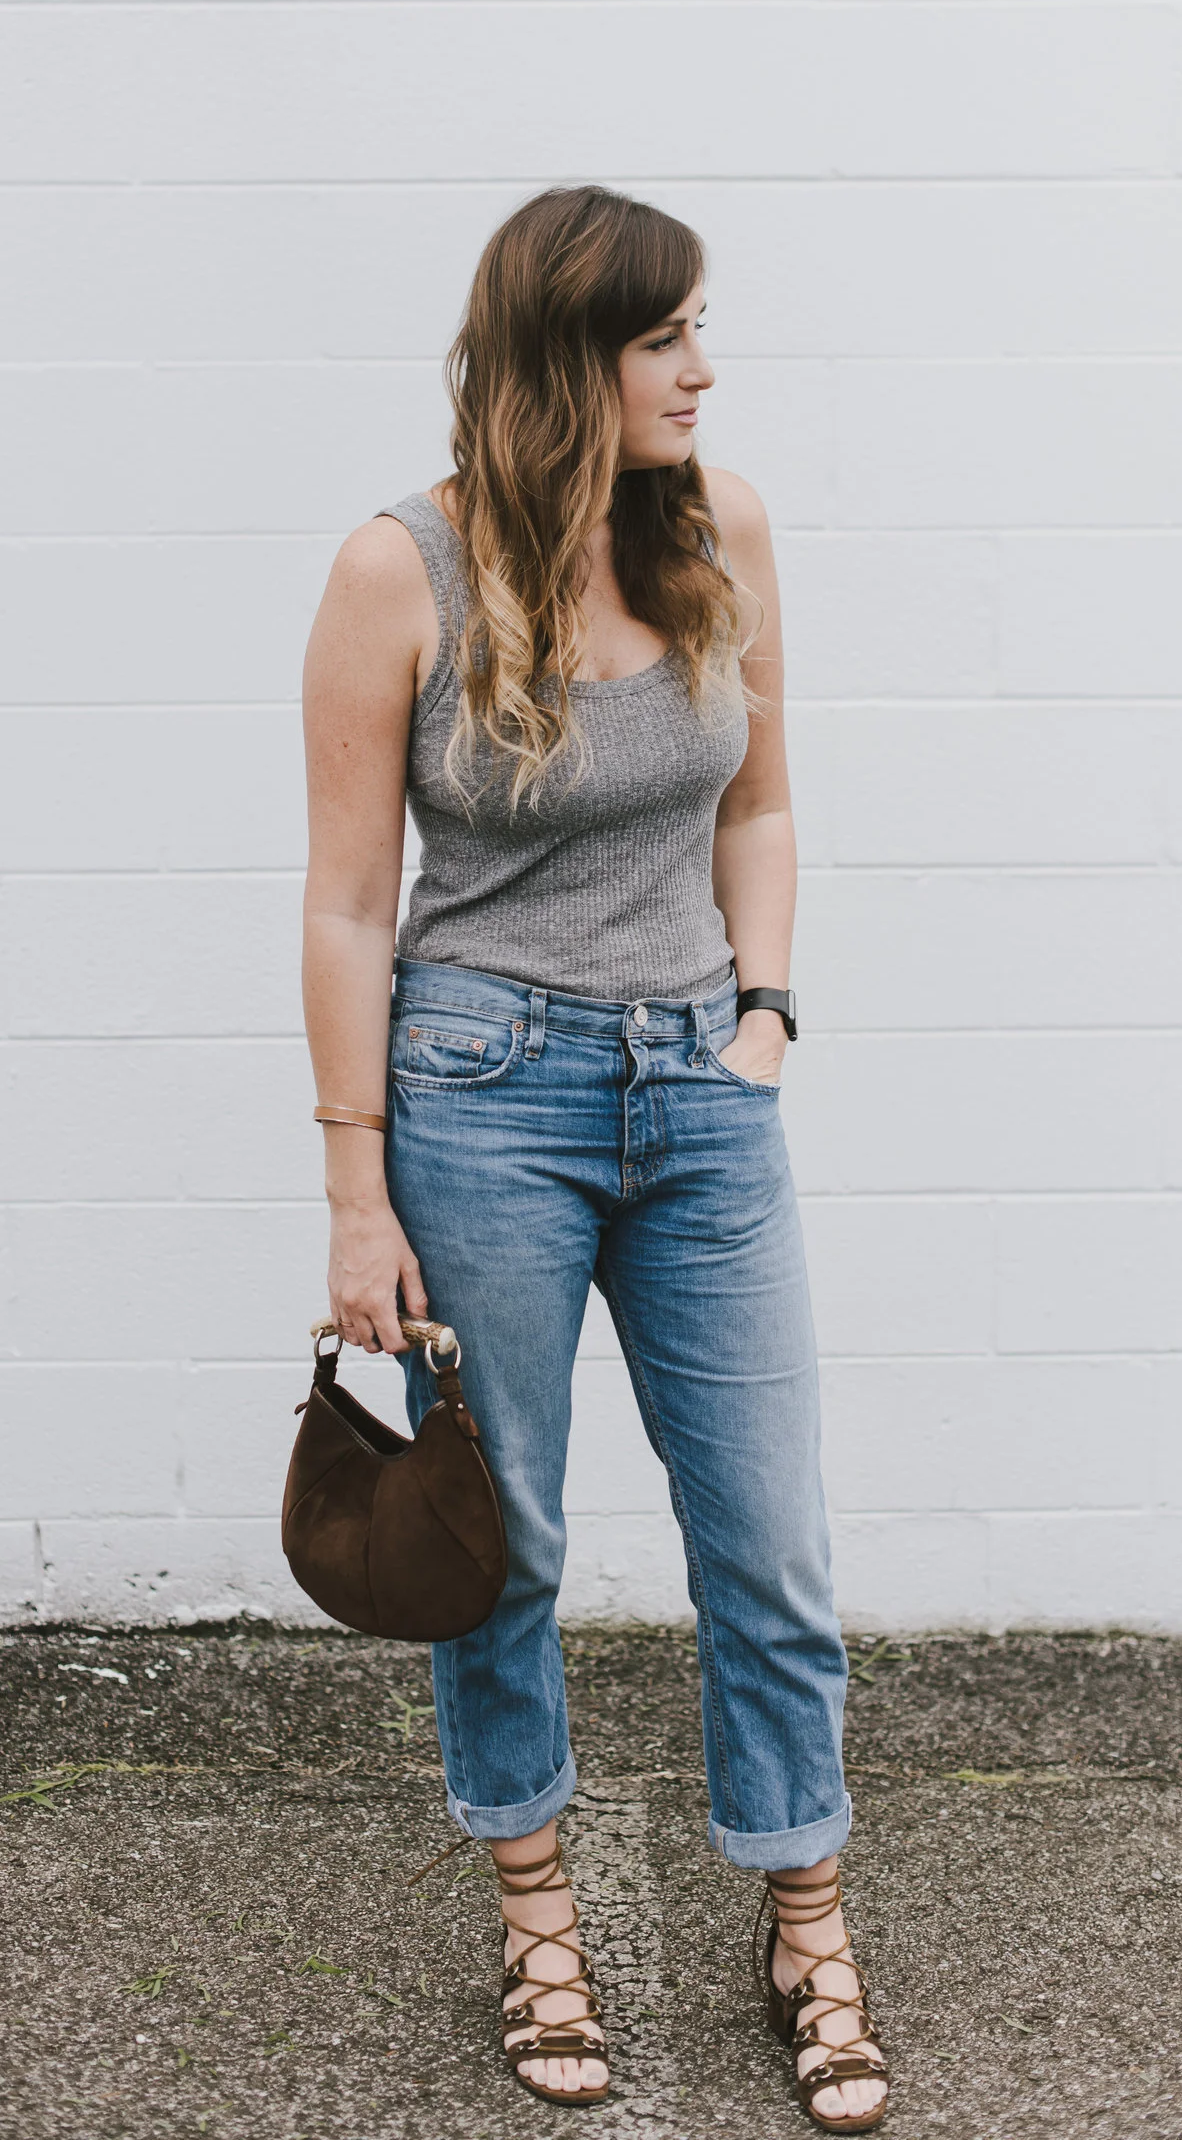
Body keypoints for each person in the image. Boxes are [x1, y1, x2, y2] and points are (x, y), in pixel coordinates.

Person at [300, 184, 888, 2133]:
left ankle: (805, 1917)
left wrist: (766, 1017)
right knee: (506, 1549)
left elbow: (766, 804)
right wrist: (357, 1192)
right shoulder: (404, 573)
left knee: (769, 1540)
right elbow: (347, 908)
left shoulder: (723, 530)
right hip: (485, 1095)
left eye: (701, 333)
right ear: (568, 363)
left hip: (700, 1091)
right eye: (664, 340)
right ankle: (540, 1915)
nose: (705, 370)